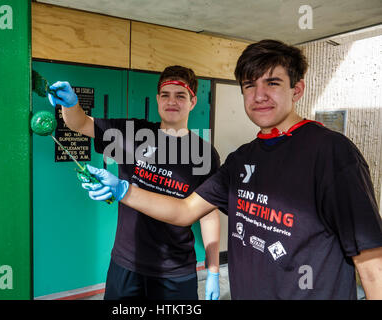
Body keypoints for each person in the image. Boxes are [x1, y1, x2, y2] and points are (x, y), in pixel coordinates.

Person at [81, 40, 382, 299]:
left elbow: (371, 262)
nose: (259, 95)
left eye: (272, 83)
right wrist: (125, 191)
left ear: (297, 89)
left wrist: (212, 270)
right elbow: (186, 211)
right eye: (250, 85)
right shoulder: (240, 160)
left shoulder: (331, 152)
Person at [48, 65, 222, 300]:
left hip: (176, 270)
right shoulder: (131, 133)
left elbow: (208, 213)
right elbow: (79, 124)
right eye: (166, 95)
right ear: (158, 99)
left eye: (180, 96)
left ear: (192, 102)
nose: (172, 101)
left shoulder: (203, 153)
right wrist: (70, 105)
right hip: (126, 263)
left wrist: (212, 270)